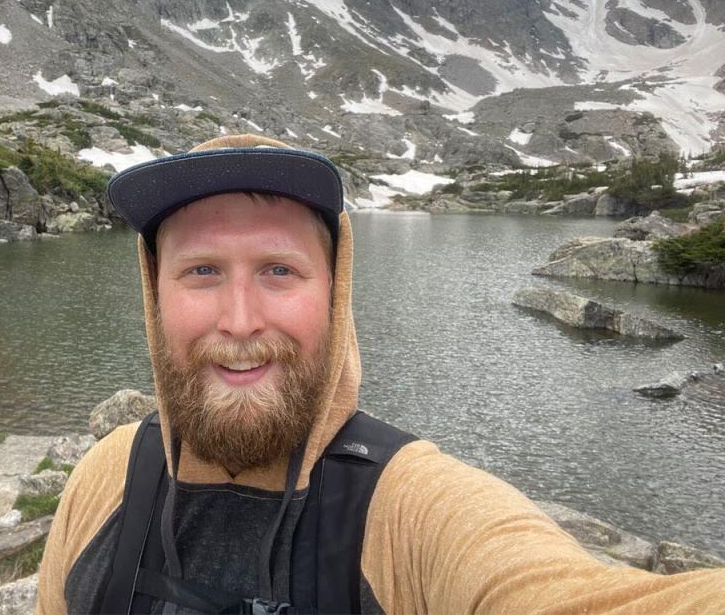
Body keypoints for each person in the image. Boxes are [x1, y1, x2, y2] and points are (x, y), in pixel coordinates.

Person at [37, 134, 725, 615]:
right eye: (201, 271)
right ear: (155, 294)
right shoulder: (106, 479)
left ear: (335, 293)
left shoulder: (412, 511)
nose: (240, 320)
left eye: (279, 270)